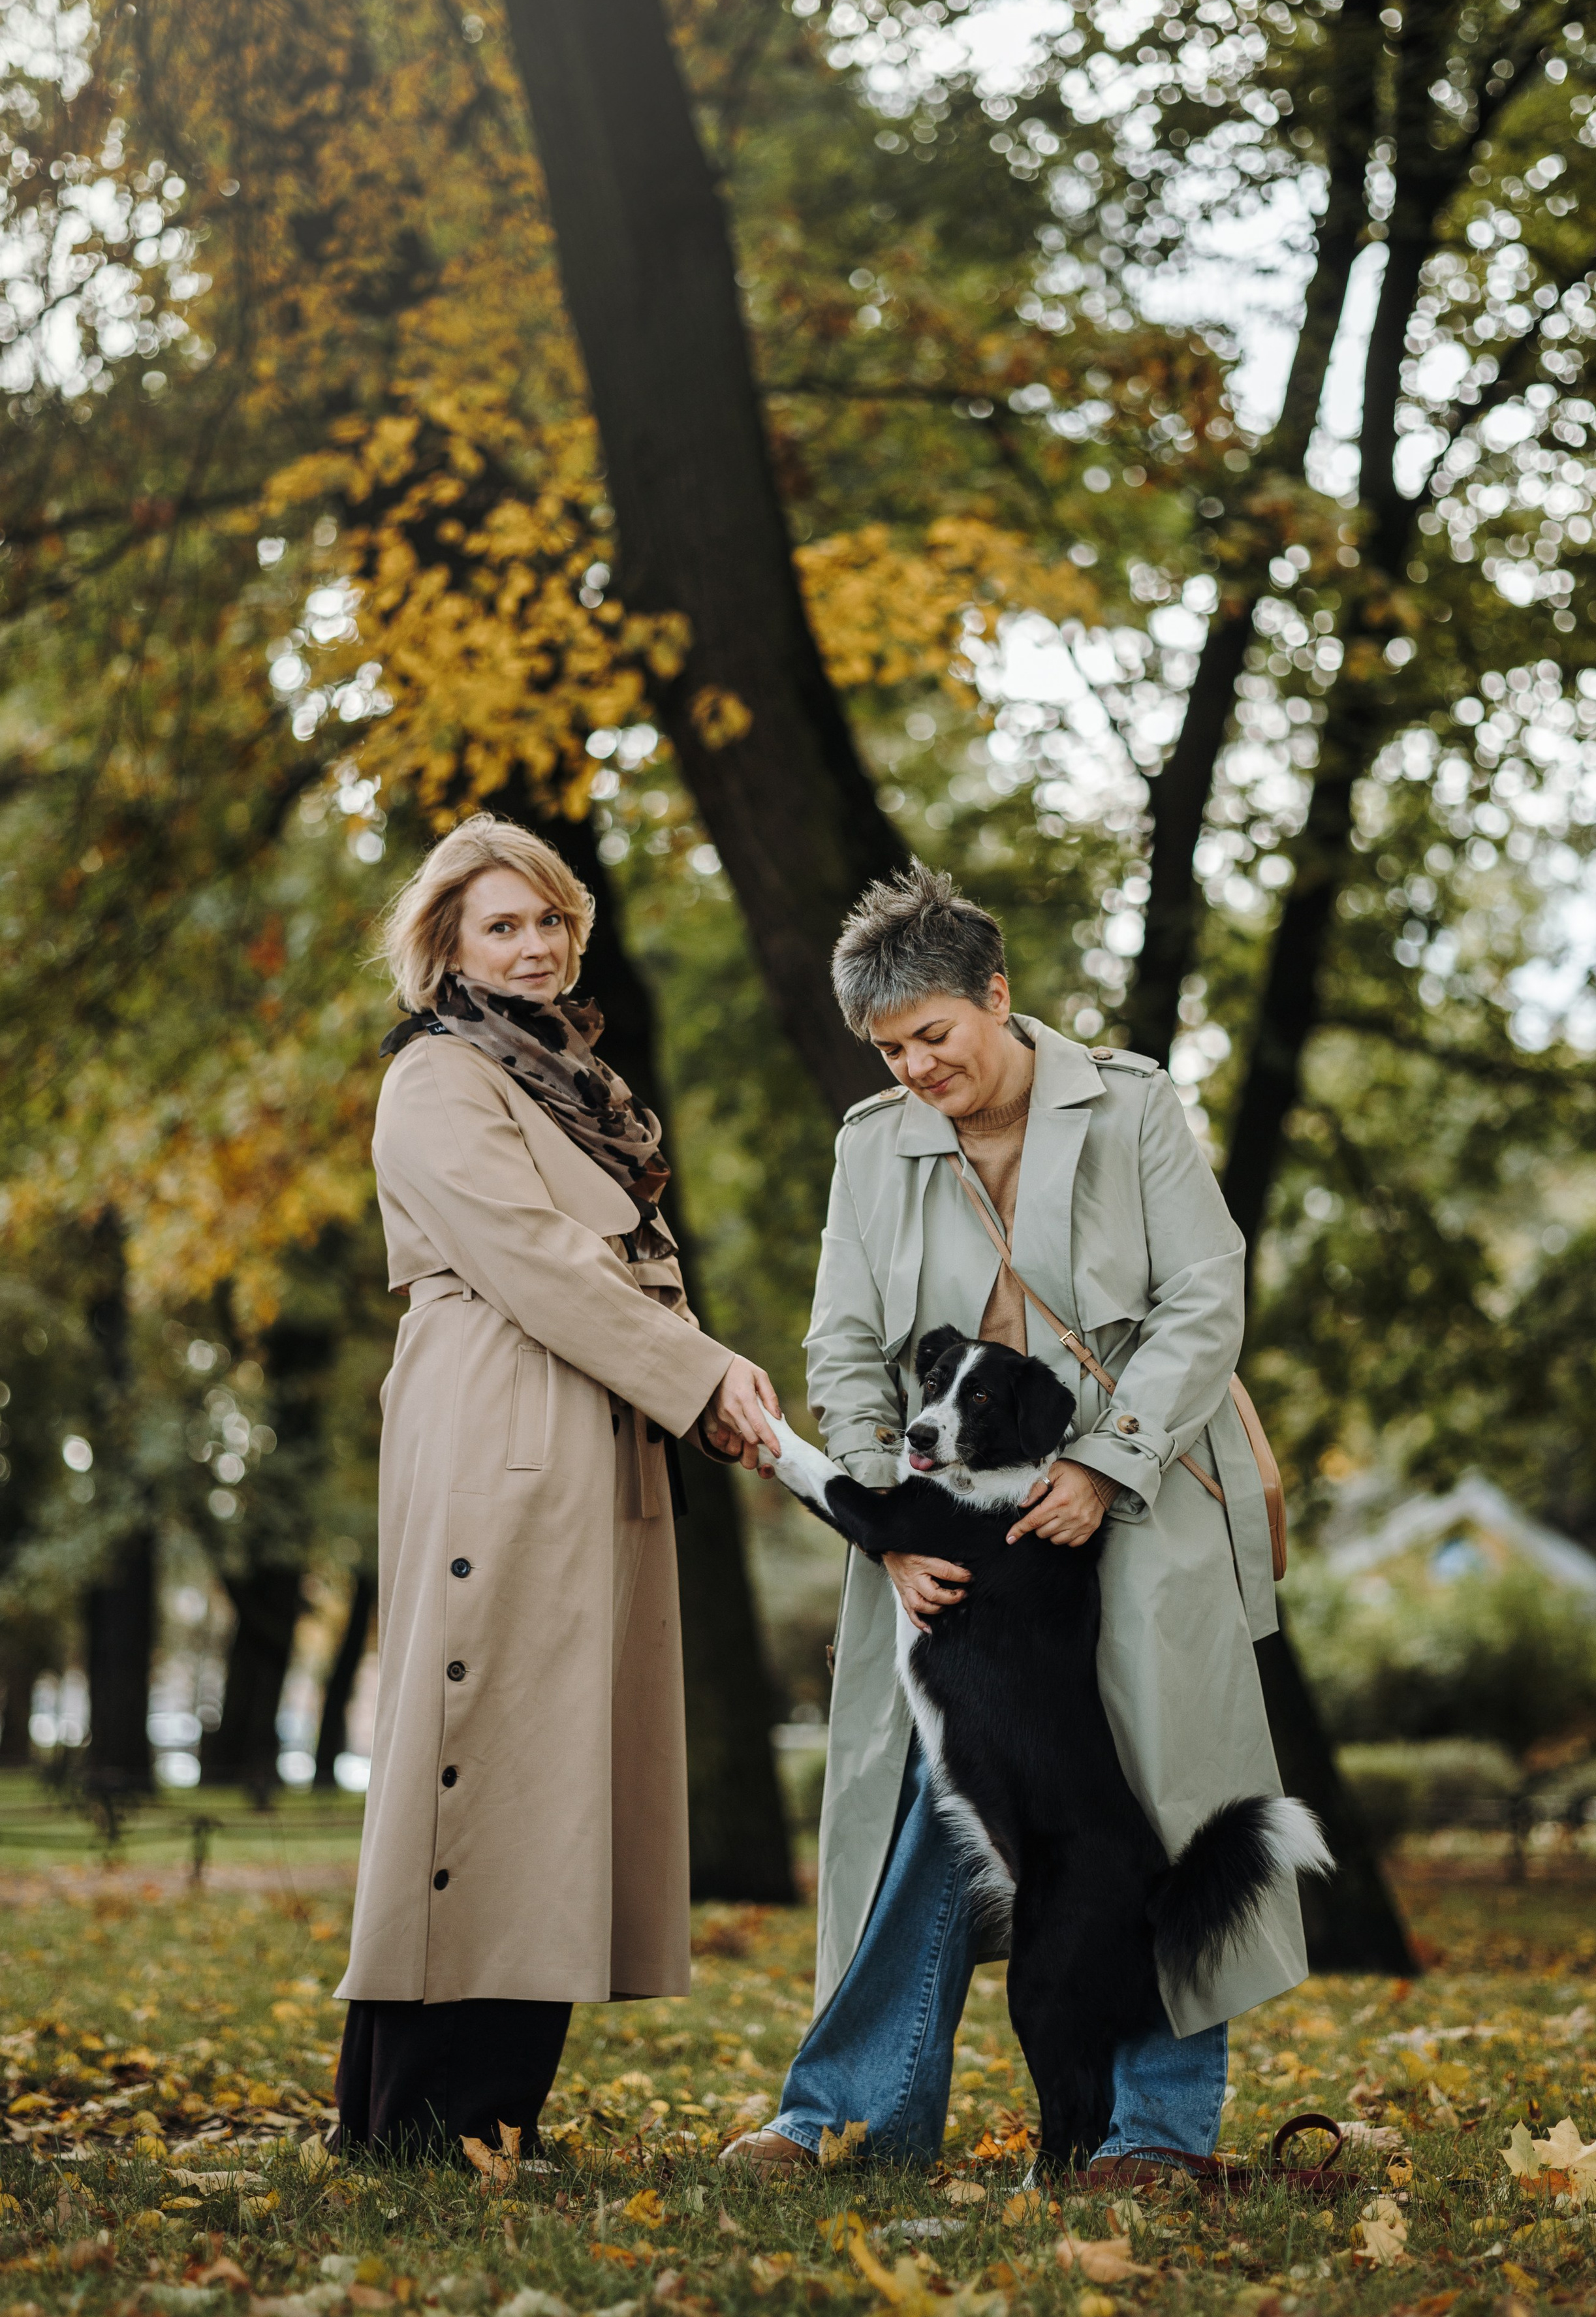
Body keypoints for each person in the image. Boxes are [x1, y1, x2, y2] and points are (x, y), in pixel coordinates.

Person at [724, 862, 1306, 2179]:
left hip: (1144, 1487)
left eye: (933, 1035)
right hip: (950, 1517)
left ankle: (1151, 2134)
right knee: (925, 1797)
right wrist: (884, 1521)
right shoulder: (870, 1147)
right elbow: (843, 1344)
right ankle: (848, 2118)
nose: (915, 1068)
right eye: (889, 1050)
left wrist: (1103, 1463)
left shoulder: (1131, 1103)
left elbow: (1204, 1297)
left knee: (1156, 1795)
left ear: (996, 993)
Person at [334, 813, 779, 2155]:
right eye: (501, 926)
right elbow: (534, 1257)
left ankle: (488, 2110)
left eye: (548, 921)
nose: (532, 947)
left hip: (598, 1419)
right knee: (479, 1744)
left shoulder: (573, 1083)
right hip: (499, 1416)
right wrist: (697, 1372)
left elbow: (628, 1260)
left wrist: (701, 1389)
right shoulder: (438, 1077)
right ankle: (419, 2115)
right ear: (447, 944)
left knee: (556, 1765)